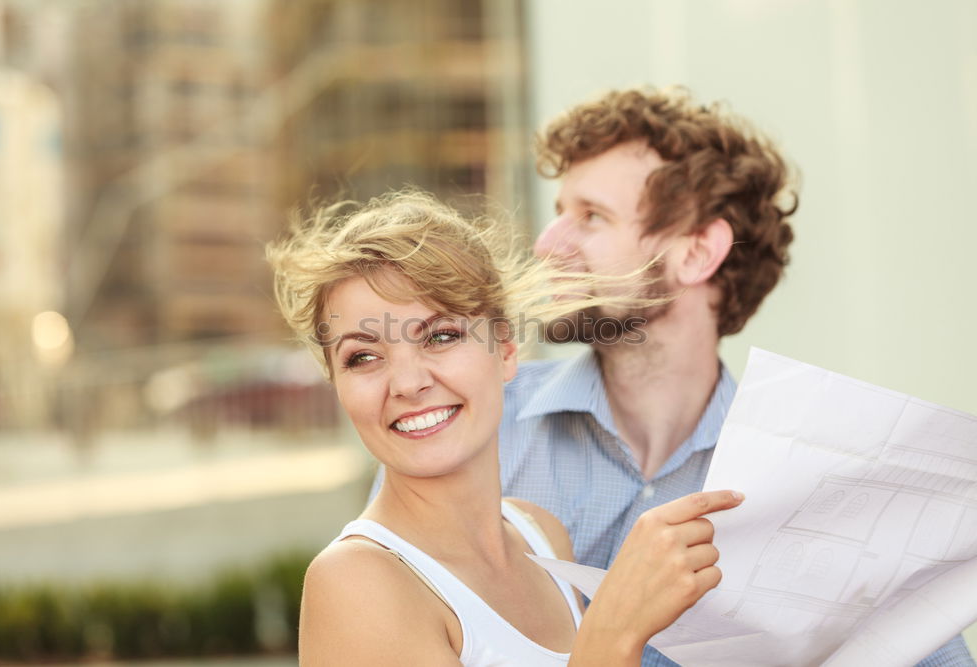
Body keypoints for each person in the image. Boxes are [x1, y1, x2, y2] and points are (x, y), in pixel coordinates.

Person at [499, 86, 976, 666]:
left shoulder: (820, 483)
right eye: (559, 213)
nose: (547, 245)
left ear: (698, 254)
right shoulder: (481, 423)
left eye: (591, 217)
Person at [268, 191, 745, 666]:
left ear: (508, 350)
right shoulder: (356, 582)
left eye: (441, 336)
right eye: (364, 357)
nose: (409, 384)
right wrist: (617, 626)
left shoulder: (541, 535)